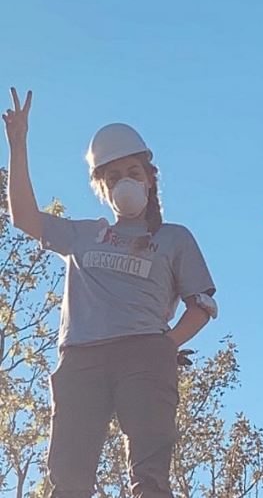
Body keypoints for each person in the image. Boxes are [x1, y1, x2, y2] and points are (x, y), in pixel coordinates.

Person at [3, 88, 217, 498]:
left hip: (144, 355)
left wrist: (165, 345)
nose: (125, 183)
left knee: (150, 478)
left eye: (134, 173)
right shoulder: (83, 234)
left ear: (150, 179)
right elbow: (25, 218)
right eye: (114, 176)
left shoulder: (174, 239)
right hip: (82, 357)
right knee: (68, 478)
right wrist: (18, 144)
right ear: (102, 187)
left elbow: (202, 305)